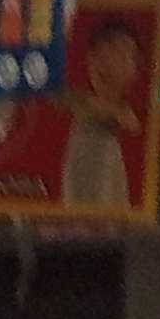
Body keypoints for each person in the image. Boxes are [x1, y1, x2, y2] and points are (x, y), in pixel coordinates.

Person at [60, 19, 150, 214]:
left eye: (123, 54)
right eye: (101, 53)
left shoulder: (127, 116)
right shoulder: (78, 102)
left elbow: (131, 123)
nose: (109, 61)